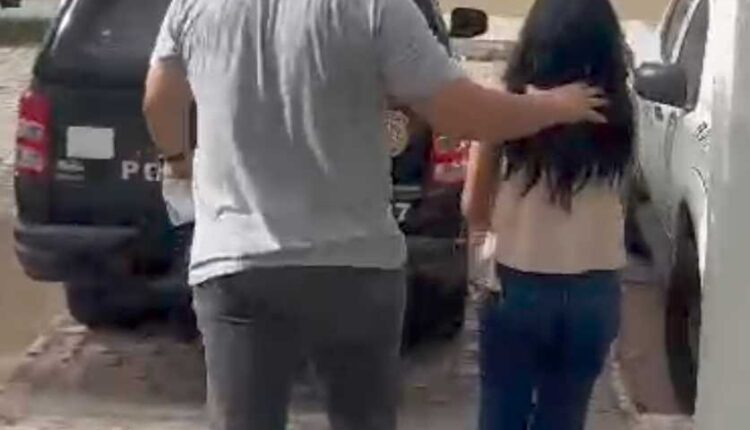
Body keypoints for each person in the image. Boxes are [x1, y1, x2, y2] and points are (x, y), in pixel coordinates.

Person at [142, 0, 608, 428]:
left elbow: (159, 100)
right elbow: (463, 114)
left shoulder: (196, 5)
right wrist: (553, 105)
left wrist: (178, 161)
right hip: (354, 266)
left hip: (236, 262)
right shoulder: (376, 6)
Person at [462, 0, 634, 429]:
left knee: (502, 411)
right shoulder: (622, 111)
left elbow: (473, 204)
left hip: (518, 279)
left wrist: (482, 250)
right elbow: (626, 198)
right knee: (565, 415)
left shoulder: (507, 104)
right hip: (596, 287)